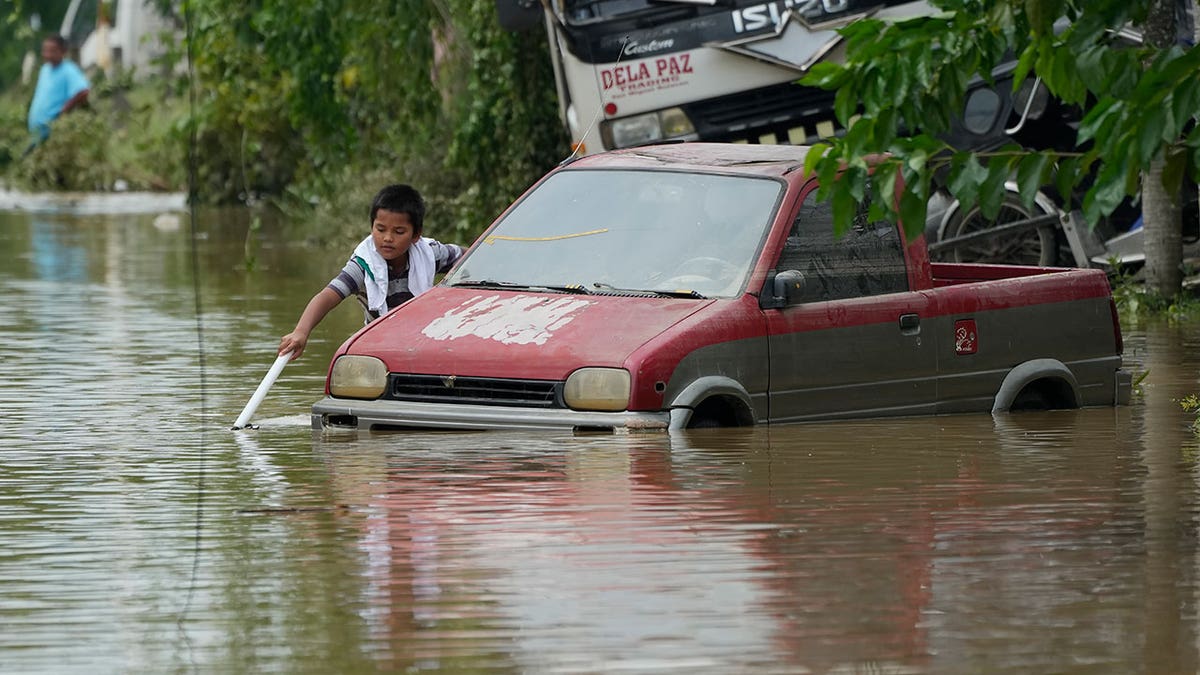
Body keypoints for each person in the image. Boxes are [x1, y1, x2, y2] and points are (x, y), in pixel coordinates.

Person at [278, 184, 463, 359]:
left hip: (423, 342)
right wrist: (301, 332)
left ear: (416, 235)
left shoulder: (429, 253)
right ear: (372, 227)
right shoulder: (363, 264)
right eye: (380, 229)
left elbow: (470, 256)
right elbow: (327, 296)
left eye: (399, 232)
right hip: (379, 348)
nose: (388, 238)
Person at [26, 34, 91, 146]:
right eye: (45, 51)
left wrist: (64, 110)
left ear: (63, 51)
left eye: (52, 51)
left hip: (53, 131)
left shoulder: (68, 70)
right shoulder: (45, 69)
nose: (48, 55)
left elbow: (83, 91)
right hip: (37, 132)